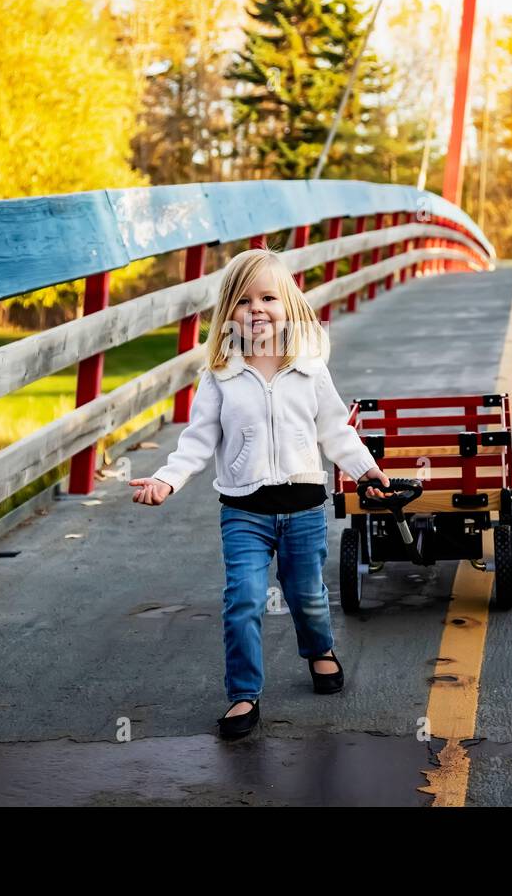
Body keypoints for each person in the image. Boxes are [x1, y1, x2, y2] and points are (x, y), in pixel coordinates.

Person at [129, 248, 391, 739]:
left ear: (288, 304)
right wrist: (166, 479)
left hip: (304, 506)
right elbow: (197, 441)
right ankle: (244, 695)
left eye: (268, 297)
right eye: (243, 301)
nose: (256, 309)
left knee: (307, 595)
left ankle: (319, 651)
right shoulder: (220, 378)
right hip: (244, 511)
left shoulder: (310, 370)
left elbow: (336, 431)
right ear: (227, 312)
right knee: (243, 599)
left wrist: (364, 472)